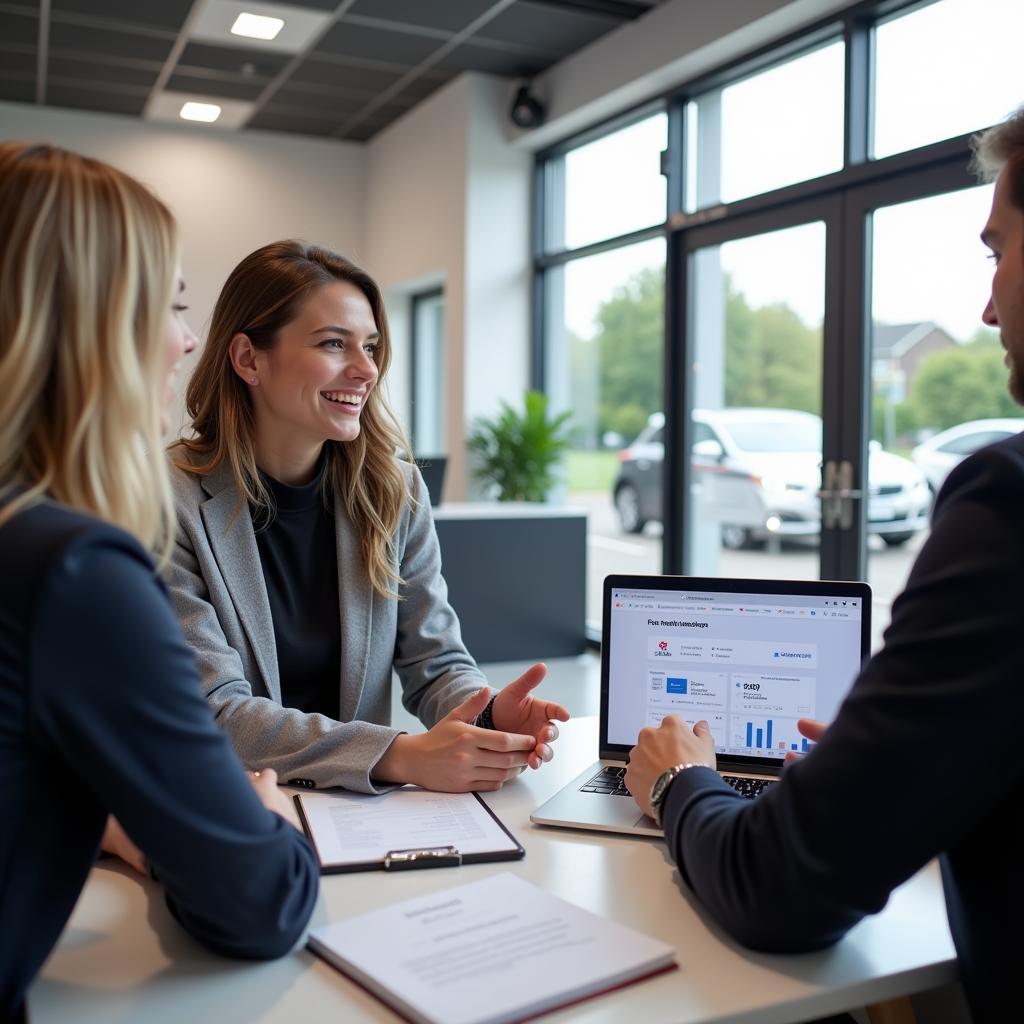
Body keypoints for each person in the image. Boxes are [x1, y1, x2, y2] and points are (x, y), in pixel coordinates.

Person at [624, 106, 1024, 1024]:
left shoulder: (1008, 500)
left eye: (998, 250)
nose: (988, 304)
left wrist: (682, 781)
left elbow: (782, 889)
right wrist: (907, 748)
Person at [0, 143, 319, 1024]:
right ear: (88, 321)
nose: (187, 339)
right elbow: (260, 904)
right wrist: (269, 825)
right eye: (172, 304)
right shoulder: (70, 566)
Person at [167, 240, 569, 794]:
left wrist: (486, 716)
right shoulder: (170, 499)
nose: (365, 370)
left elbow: (434, 658)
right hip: (227, 803)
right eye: (334, 344)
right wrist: (397, 755)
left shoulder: (394, 490)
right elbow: (214, 709)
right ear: (247, 359)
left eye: (371, 347)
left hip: (358, 817)